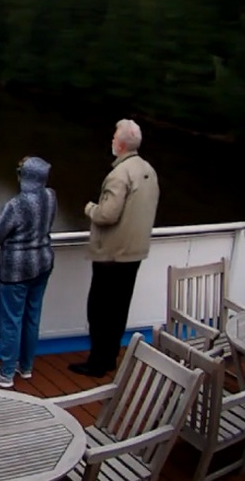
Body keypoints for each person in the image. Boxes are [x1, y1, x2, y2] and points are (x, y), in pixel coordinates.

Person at [69, 118, 160, 377]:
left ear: (119, 145)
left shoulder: (119, 174)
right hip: (135, 252)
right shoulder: (148, 170)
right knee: (119, 309)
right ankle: (109, 357)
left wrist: (90, 208)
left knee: (99, 310)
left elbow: (107, 214)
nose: (111, 140)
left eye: (113, 137)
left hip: (111, 254)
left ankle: (97, 363)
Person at [0, 156, 57, 388]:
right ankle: (25, 367)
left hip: (16, 269)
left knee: (11, 320)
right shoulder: (50, 196)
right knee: (32, 316)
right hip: (43, 262)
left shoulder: (15, 205)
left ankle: (6, 373)